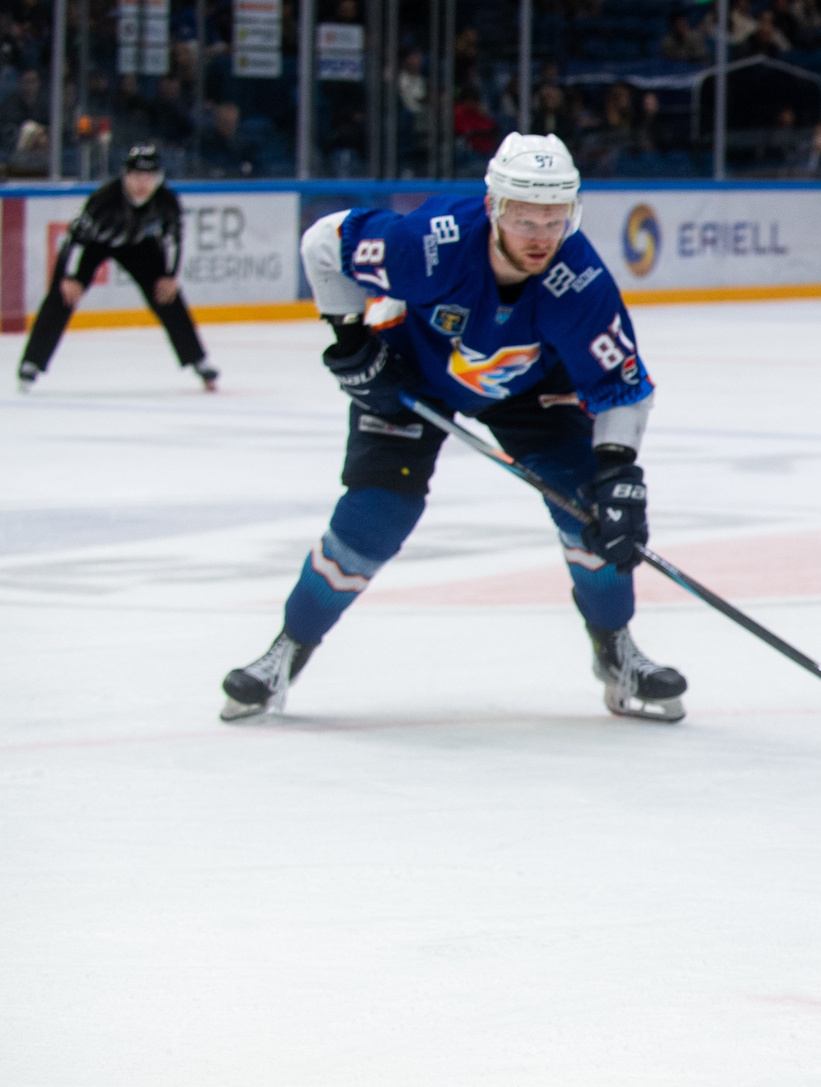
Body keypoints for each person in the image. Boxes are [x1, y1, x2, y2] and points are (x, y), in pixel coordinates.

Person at [217, 133, 687, 724]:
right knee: (375, 517)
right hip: (410, 373)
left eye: (555, 219)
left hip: (528, 389)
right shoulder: (431, 244)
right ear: (494, 208)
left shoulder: (580, 280)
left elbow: (622, 385)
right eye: (524, 218)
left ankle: (616, 655)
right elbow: (322, 241)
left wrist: (617, 470)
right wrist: (353, 339)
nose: (541, 236)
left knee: (591, 514)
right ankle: (286, 652)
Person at [18, 143, 218, 393]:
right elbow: (73, 241)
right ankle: (32, 363)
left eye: (149, 177)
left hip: (140, 247)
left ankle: (198, 359)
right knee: (63, 295)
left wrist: (169, 275)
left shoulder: (166, 201)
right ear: (125, 175)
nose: (143, 184)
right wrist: (68, 277)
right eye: (137, 176)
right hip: (96, 245)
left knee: (167, 294)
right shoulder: (104, 200)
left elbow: (174, 240)